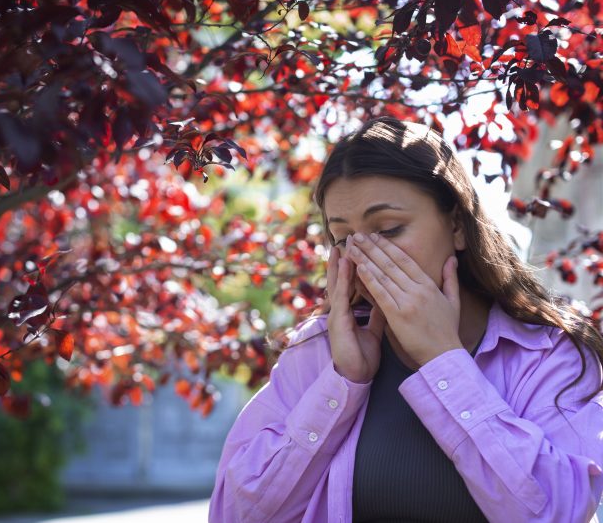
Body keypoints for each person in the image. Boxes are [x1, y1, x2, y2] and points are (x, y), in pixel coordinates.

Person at [208, 116, 603, 522]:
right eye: (343, 238)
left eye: (390, 229)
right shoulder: (318, 349)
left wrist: (443, 361)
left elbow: (558, 512)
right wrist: (343, 381)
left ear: (456, 225)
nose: (362, 254)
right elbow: (235, 514)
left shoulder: (547, 354)